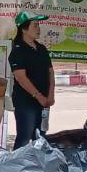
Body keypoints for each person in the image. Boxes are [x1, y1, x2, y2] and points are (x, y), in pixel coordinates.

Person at [9, 11, 54, 147]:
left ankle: (38, 161)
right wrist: (38, 96)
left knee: (40, 138)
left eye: (38, 25)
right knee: (24, 136)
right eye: (35, 25)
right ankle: (17, 161)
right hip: (26, 102)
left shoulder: (41, 48)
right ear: (24, 29)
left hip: (44, 101)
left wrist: (50, 95)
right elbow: (21, 77)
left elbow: (50, 72)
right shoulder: (18, 50)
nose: (38, 29)